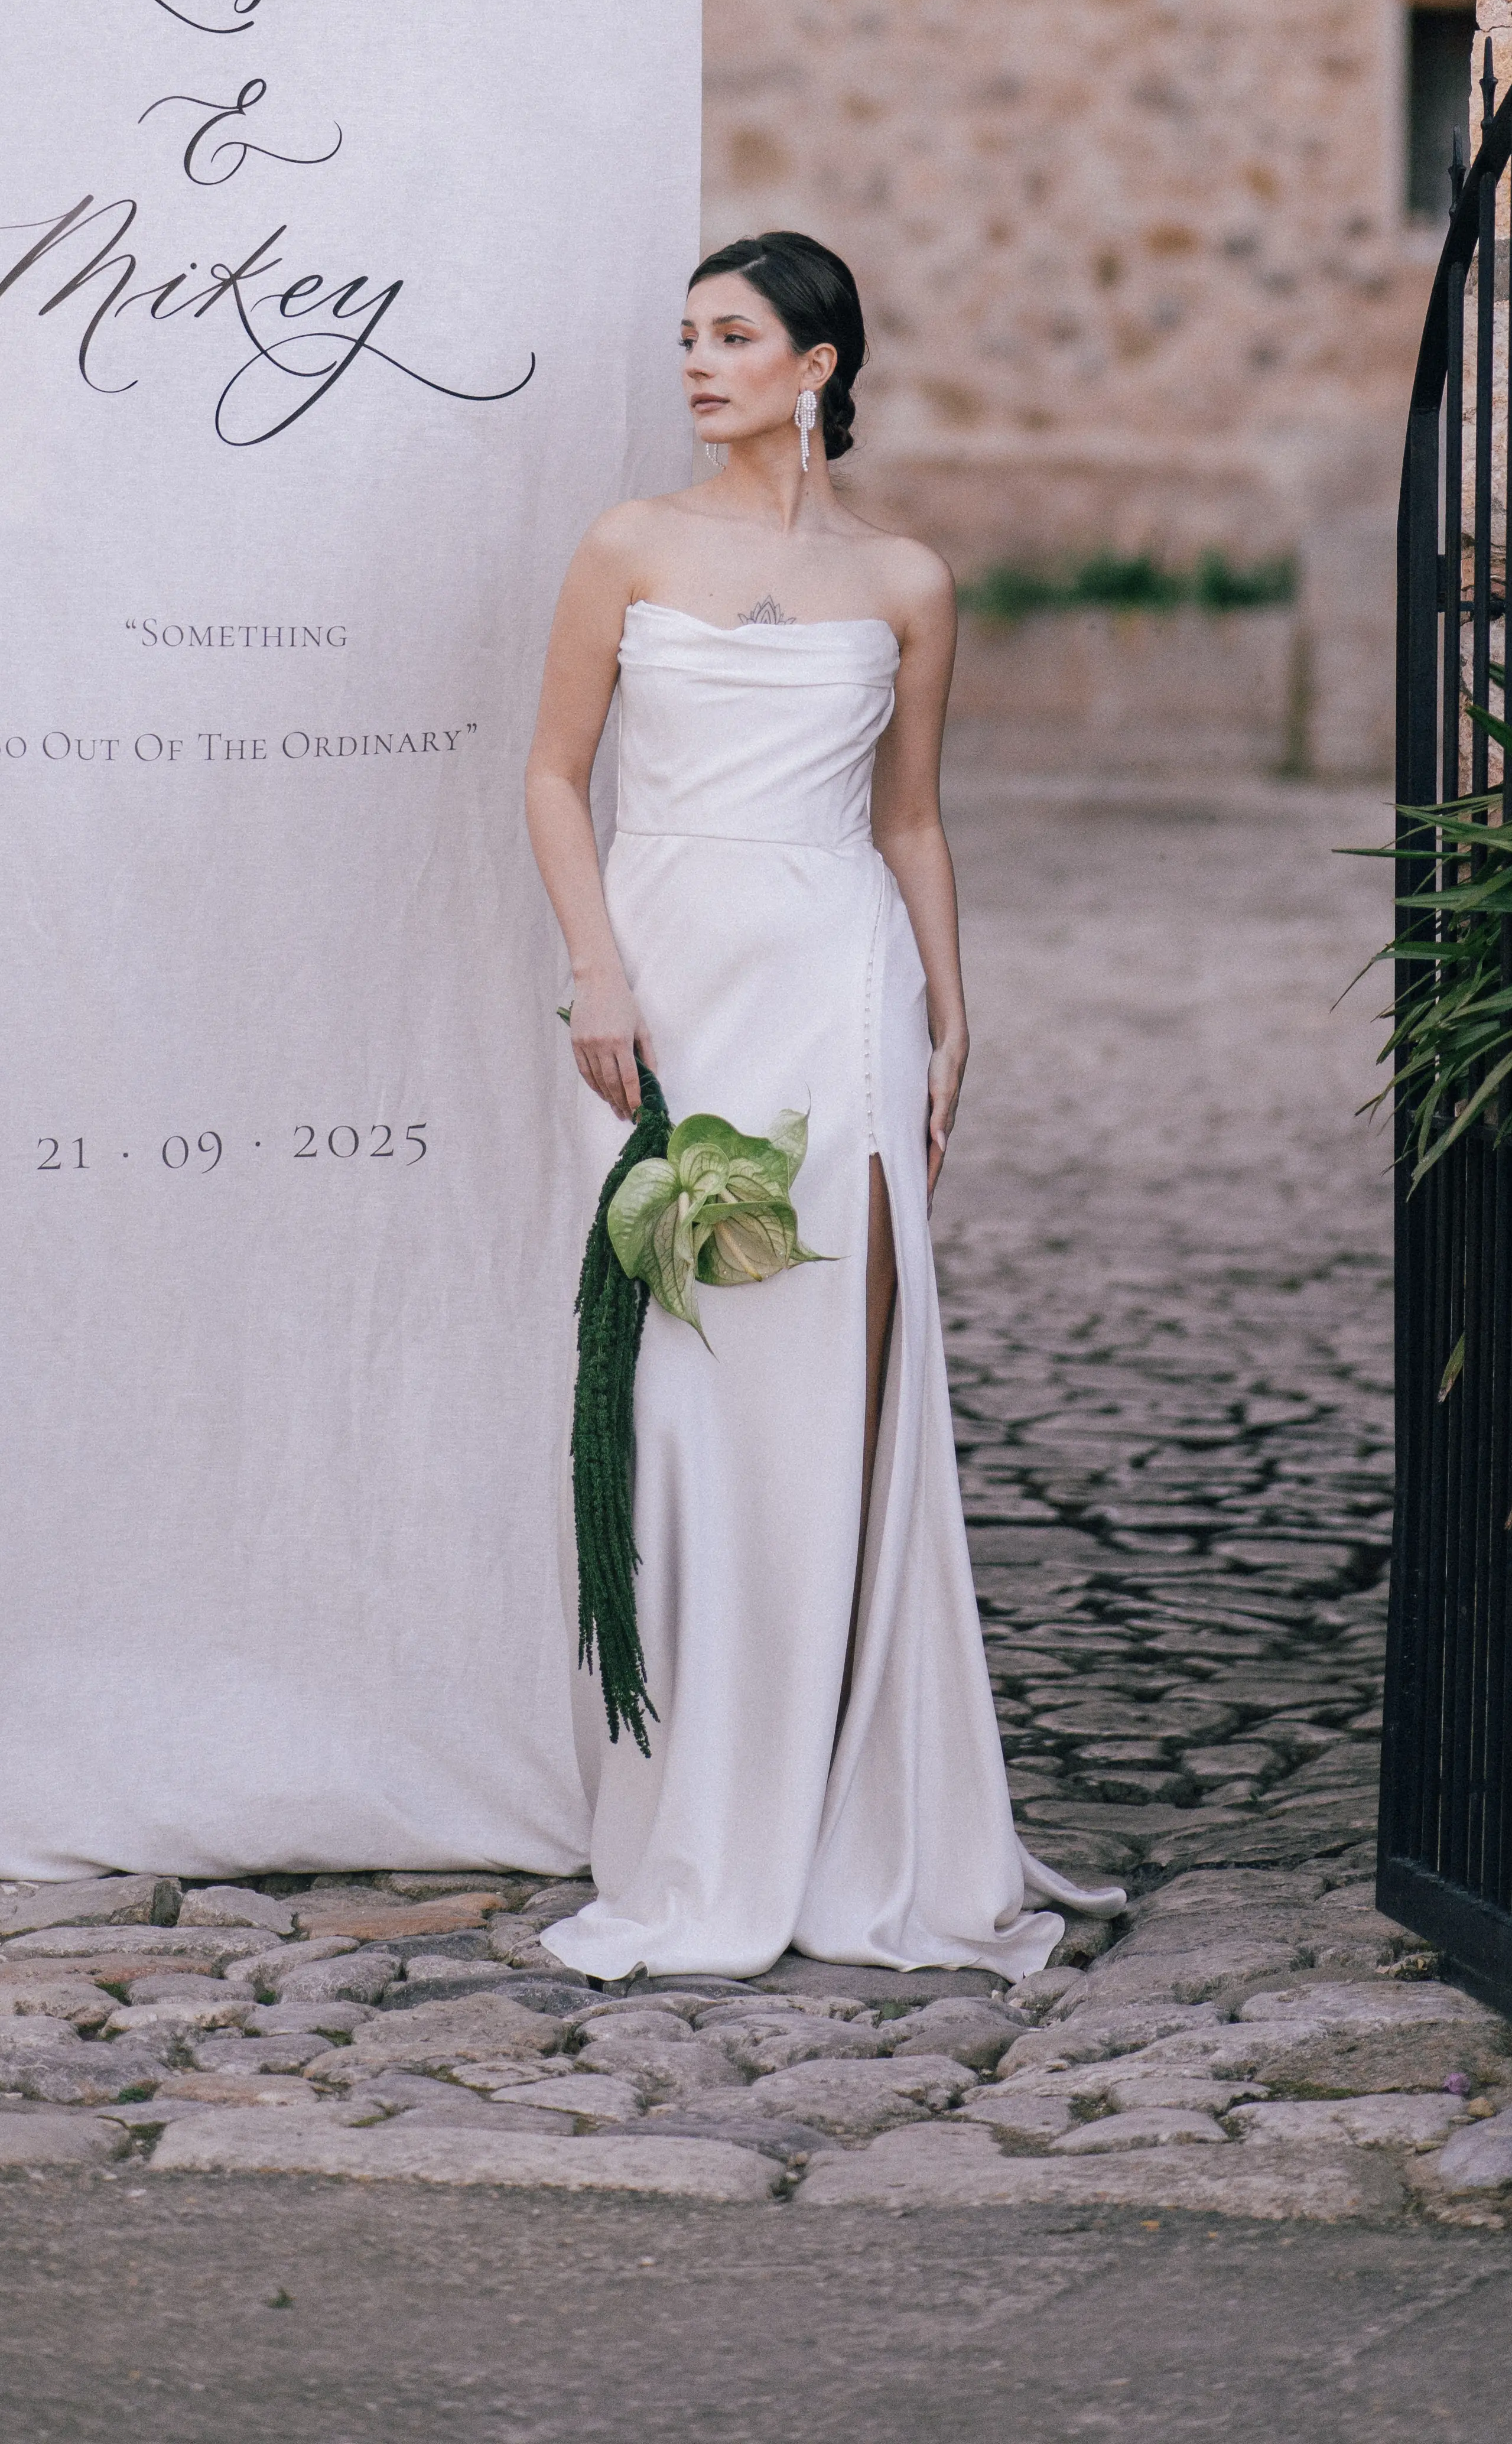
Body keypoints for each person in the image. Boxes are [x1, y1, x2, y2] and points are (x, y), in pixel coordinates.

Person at [522, 231, 1117, 1980]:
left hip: (837, 990)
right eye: (687, 337)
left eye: (732, 337)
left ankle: (837, 1809)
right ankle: (689, 1814)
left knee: (826, 1394)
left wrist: (950, 1008)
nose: (697, 365)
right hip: (666, 988)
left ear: (819, 366)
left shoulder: (908, 580)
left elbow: (909, 818)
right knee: (676, 1400)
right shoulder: (629, 544)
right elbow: (554, 775)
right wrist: (598, 970)